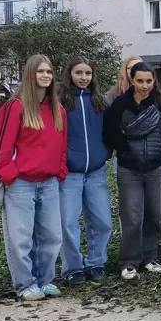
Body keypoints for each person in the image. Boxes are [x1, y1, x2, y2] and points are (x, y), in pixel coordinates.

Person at [0, 54, 68, 301]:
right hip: (21, 183)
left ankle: (45, 280)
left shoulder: (58, 109)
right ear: (30, 74)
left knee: (51, 236)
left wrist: (60, 170)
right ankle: (25, 284)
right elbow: (1, 147)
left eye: (49, 71)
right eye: (40, 71)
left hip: (49, 182)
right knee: (21, 238)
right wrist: (10, 176)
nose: (46, 75)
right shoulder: (16, 107)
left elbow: (62, 145)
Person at [103, 62, 161, 280]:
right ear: (132, 81)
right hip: (129, 169)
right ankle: (129, 261)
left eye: (148, 81)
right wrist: (126, 150)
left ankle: (150, 256)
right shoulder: (120, 105)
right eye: (140, 81)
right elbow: (110, 132)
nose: (144, 85)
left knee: (154, 214)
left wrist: (159, 151)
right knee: (132, 216)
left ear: (154, 81)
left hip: (155, 169)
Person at [58, 56, 114, 286]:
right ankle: (72, 267)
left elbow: (110, 131)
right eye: (78, 73)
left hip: (96, 172)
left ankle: (96, 262)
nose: (83, 77)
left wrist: (105, 152)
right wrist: (64, 159)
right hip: (70, 173)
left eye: (87, 73)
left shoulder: (99, 102)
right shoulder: (60, 102)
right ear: (70, 74)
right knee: (68, 222)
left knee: (102, 220)